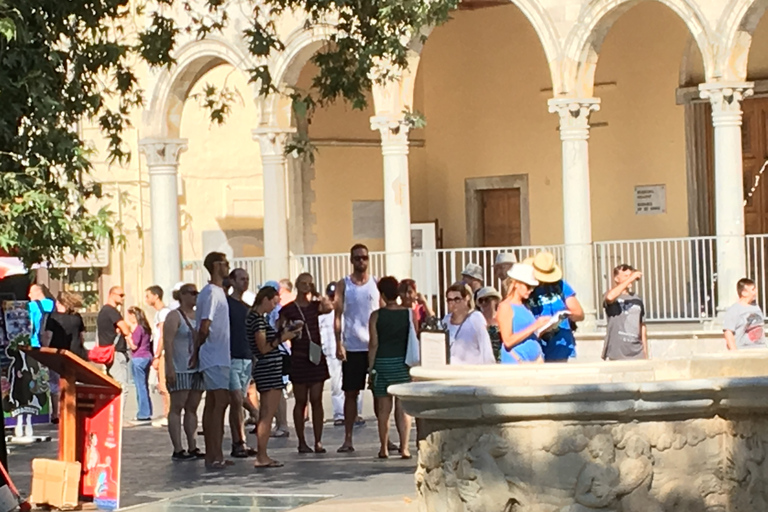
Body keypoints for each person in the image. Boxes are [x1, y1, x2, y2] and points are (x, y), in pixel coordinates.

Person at [247, 286, 302, 468]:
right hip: (268, 370)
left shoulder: (256, 319)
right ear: (266, 299)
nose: (273, 307)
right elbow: (263, 347)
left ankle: (263, 454)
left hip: (270, 369)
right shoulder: (257, 321)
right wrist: (283, 338)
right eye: (273, 302)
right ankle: (262, 455)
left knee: (267, 413)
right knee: (267, 415)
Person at [280, 273, 333, 453]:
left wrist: (317, 293)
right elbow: (279, 328)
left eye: (309, 284)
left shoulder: (315, 306)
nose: (306, 287)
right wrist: (291, 331)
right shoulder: (289, 309)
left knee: (316, 399)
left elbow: (329, 307)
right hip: (299, 356)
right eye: (303, 283)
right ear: (296, 285)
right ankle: (302, 441)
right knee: (301, 400)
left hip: (315, 355)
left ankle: (318, 441)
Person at [335, 244, 380, 453]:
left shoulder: (375, 284)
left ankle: (384, 439)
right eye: (357, 258)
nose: (361, 261)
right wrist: (338, 343)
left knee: (380, 393)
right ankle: (348, 438)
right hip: (352, 346)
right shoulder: (344, 285)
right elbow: (337, 315)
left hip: (373, 346)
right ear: (351, 260)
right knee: (350, 393)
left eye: (364, 257)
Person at [191, 252, 231, 469]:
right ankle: (214, 454)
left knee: (214, 404)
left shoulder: (216, 292)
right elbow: (205, 325)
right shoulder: (212, 293)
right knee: (220, 402)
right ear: (216, 266)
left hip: (218, 354)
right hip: (214, 355)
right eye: (225, 264)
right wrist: (197, 351)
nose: (228, 267)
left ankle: (214, 453)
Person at [368, 276, 413, 459]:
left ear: (383, 294)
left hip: (383, 363)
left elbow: (373, 343)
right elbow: (413, 338)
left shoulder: (376, 316)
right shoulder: (409, 314)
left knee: (383, 410)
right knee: (403, 409)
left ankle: (384, 448)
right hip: (403, 364)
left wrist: (370, 368)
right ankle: (405, 447)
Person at [163, 283, 204, 460]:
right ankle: (178, 448)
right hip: (180, 367)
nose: (195, 296)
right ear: (182, 295)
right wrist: (169, 367)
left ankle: (193, 445)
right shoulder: (174, 316)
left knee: (192, 407)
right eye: (192, 293)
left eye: (197, 293)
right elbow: (168, 342)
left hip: (197, 367)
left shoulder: (199, 316)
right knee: (177, 407)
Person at [526, 252, 585, 362]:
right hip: (536, 342)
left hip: (560, 344)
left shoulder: (560, 286)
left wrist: (563, 316)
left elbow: (579, 313)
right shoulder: (526, 288)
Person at [43, 291, 88, 423]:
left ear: (58, 303)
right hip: (75, 353)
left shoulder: (52, 317)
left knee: (55, 384)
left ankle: (56, 413)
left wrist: (44, 350)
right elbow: (81, 337)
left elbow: (47, 336)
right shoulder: (76, 317)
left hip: (57, 354)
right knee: (72, 382)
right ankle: (72, 410)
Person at [227, 268, 257, 458]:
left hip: (246, 358)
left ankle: (242, 441)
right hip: (231, 357)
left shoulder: (247, 307)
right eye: (241, 279)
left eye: (247, 279)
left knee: (239, 398)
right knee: (236, 400)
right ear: (233, 281)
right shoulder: (227, 304)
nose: (244, 282)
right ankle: (237, 441)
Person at [496, 264, 546, 364]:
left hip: (535, 363)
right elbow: (508, 341)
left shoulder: (526, 307)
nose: (531, 290)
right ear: (515, 284)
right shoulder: (505, 307)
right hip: (517, 362)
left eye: (532, 287)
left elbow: (527, 333)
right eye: (528, 286)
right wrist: (535, 325)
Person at [262, 280, 291, 439]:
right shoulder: (272, 311)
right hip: (274, 351)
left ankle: (282, 423)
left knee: (278, 390)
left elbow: (277, 331)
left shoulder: (277, 311)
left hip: (277, 352)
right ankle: (279, 422)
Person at [602, 264, 648, 360]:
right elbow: (610, 297)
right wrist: (631, 279)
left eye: (630, 275)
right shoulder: (610, 295)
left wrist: (645, 353)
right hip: (617, 351)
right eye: (625, 276)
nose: (630, 278)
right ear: (616, 279)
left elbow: (642, 326)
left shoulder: (637, 299)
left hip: (636, 352)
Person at [443, 283, 495, 365]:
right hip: (451, 369)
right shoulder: (445, 321)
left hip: (471, 370)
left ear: (466, 299)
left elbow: (485, 344)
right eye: (450, 300)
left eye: (457, 299)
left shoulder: (476, 318)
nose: (453, 303)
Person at [319, 283, 347, 426]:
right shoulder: (323, 314)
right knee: (336, 384)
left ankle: (355, 413)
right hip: (330, 352)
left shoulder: (347, 310)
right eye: (331, 296)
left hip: (349, 350)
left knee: (352, 384)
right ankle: (339, 414)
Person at [145, 285, 171, 428]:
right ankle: (167, 413)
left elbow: (162, 335)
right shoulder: (160, 313)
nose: (146, 300)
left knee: (164, 384)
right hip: (162, 353)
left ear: (156, 296)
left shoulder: (163, 313)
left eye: (148, 296)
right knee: (162, 385)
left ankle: (168, 415)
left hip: (163, 354)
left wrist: (157, 355)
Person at [97, 287, 132, 390]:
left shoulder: (104, 311)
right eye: (121, 295)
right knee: (122, 387)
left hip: (108, 353)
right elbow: (126, 330)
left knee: (113, 385)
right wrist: (124, 328)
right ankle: (120, 407)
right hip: (115, 353)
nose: (123, 298)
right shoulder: (111, 311)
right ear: (112, 295)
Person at [125, 306, 154, 424]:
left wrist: (128, 338)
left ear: (133, 316)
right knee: (144, 386)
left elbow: (134, 346)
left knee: (139, 386)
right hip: (147, 356)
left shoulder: (137, 329)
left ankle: (143, 413)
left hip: (138, 358)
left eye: (129, 316)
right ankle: (147, 410)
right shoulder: (146, 328)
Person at [724, 278, 767, 350]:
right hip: (745, 351)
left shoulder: (756, 307)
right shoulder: (734, 310)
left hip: (761, 350)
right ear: (744, 293)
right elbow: (728, 333)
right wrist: (735, 352)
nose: (756, 292)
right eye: (753, 289)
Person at [476, 286, 502, 362]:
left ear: (496, 301)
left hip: (501, 360)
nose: (484, 303)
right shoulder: (476, 320)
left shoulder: (503, 318)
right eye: (481, 301)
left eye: (487, 300)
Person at [28, 284, 55, 348]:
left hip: (36, 344)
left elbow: (29, 326)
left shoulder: (32, 306)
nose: (29, 295)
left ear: (39, 292)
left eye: (31, 292)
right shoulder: (54, 304)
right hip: (52, 344)